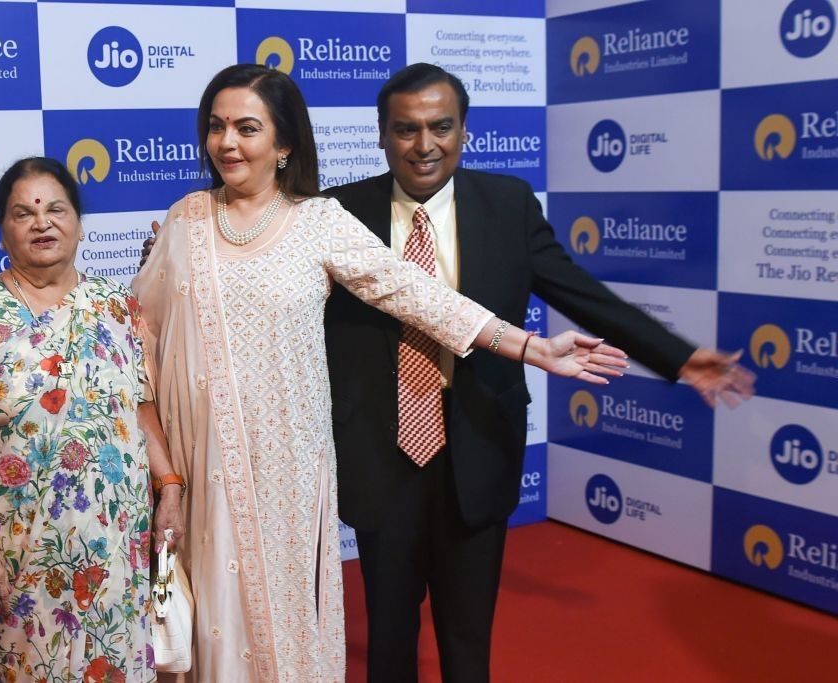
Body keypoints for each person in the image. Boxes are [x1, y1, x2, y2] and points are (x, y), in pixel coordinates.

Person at [132, 63, 628, 682]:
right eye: (217, 127)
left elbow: (418, 294)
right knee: (207, 618)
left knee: (287, 619)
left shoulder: (320, 221)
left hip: (289, 472)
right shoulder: (184, 221)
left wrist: (529, 346)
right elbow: (139, 338)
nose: (228, 142)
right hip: (202, 462)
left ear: (284, 143)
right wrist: (167, 473)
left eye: (247, 128)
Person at [321, 63, 756, 682]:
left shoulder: (507, 204)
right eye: (406, 129)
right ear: (382, 134)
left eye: (441, 127)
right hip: (380, 454)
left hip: (478, 444)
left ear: (464, 130)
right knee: (389, 638)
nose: (425, 145)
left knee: (468, 638)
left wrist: (677, 356)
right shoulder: (338, 213)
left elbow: (582, 294)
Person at [0, 157, 184, 683]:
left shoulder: (115, 305)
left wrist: (171, 486)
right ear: (4, 232)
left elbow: (139, 407)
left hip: (116, 547)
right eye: (23, 213)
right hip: (22, 549)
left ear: (80, 224)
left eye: (55, 208)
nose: (42, 222)